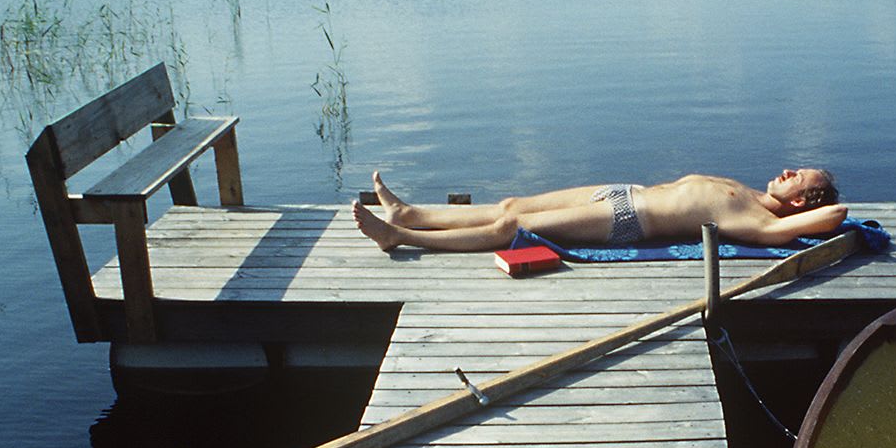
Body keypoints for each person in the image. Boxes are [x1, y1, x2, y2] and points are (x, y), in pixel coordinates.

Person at [352, 168, 845, 253]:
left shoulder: (761, 223)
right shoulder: (750, 193)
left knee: (512, 227)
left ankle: (403, 238)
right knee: (511, 204)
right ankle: (411, 214)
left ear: (802, 201)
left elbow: (837, 215)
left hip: (629, 220)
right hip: (622, 192)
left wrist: (818, 204)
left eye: (798, 176)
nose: (786, 171)